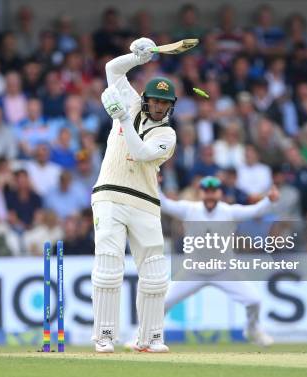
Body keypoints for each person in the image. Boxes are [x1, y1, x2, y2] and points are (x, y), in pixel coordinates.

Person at [92, 37, 176, 353]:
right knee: (109, 264)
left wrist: (122, 119)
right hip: (109, 194)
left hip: (145, 202)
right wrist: (136, 58)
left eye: (164, 104)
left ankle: (150, 338)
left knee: (155, 273)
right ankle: (104, 335)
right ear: (145, 99)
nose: (159, 107)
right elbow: (111, 69)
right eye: (154, 101)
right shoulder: (129, 101)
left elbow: (140, 154)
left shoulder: (168, 135)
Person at [132, 176, 279, 347]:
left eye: (213, 192)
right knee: (162, 303)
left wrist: (269, 201)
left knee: (254, 300)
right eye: (206, 192)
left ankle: (253, 330)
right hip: (193, 271)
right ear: (200, 193)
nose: (210, 196)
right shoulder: (189, 210)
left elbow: (255, 211)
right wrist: (154, 184)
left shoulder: (229, 211)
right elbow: (164, 203)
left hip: (225, 271)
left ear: (220, 194)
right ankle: (142, 336)